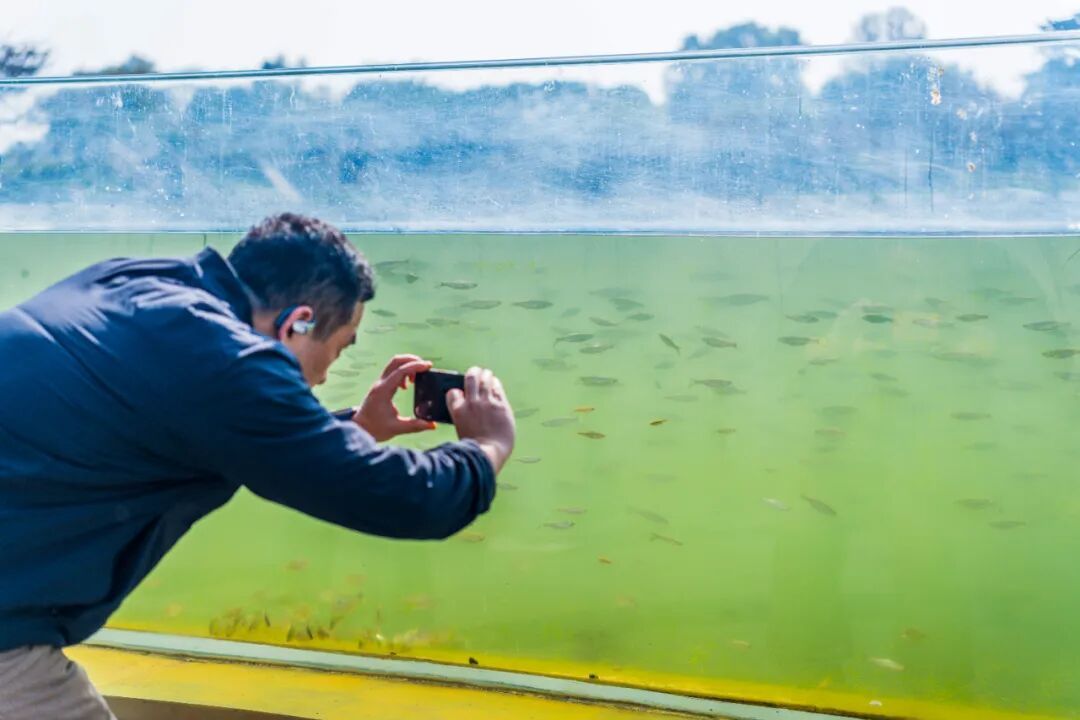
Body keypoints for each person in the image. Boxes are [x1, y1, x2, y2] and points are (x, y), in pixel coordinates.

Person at [0, 212, 516, 719]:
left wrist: (350, 431)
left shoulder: (131, 281)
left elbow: (208, 425)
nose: (318, 378)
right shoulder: (229, 360)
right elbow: (409, 500)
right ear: (298, 323)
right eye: (335, 351)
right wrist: (486, 448)